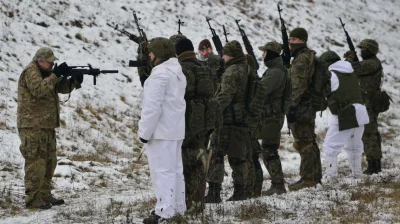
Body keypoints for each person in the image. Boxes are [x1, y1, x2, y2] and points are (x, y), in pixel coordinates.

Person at [17, 47, 83, 209]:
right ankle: (33, 198)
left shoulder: (46, 73)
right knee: (36, 161)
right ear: (40, 61)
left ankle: (44, 194)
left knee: (49, 160)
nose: (53, 65)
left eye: (54, 62)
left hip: (46, 125)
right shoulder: (31, 72)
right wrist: (55, 75)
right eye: (50, 62)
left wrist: (74, 80)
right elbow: (39, 90)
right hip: (32, 125)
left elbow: (60, 88)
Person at [138, 37, 187, 223]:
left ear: (158, 54)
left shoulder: (159, 74)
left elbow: (152, 107)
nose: (149, 55)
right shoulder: (177, 72)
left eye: (151, 51)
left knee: (162, 172)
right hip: (175, 130)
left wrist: (144, 133)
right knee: (174, 171)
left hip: (160, 132)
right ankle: (178, 207)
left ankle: (164, 213)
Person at [173, 37, 220, 213]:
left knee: (188, 164)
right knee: (200, 160)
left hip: (189, 122)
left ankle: (191, 204)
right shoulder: (204, 67)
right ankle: (198, 202)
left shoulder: (183, 69)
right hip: (206, 121)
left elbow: (181, 94)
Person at [205, 40, 248, 203]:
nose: (222, 57)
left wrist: (211, 112)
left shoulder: (231, 72)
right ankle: (240, 191)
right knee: (238, 157)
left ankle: (214, 192)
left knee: (215, 153)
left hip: (226, 120)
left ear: (231, 55)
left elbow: (225, 96)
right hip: (240, 120)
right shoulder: (245, 68)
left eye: (224, 54)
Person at [320, 51, 369, 181]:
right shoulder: (351, 72)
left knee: (330, 146)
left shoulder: (331, 74)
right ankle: (357, 174)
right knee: (354, 146)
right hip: (360, 110)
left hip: (346, 112)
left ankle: (330, 175)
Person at [286, 28, 322, 191]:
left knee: (304, 142)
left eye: (293, 39)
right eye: (290, 39)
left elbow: (298, 85)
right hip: (307, 104)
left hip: (301, 106)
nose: (290, 42)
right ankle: (315, 176)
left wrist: (291, 106)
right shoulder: (308, 56)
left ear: (302, 40)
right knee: (309, 140)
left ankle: (308, 179)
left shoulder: (301, 59)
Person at [344, 39, 384, 175]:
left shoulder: (371, 63)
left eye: (364, 49)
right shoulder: (371, 62)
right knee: (369, 132)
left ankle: (374, 165)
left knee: (369, 133)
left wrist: (350, 58)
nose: (361, 52)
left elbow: (350, 69)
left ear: (371, 50)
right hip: (366, 101)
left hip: (369, 103)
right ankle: (374, 163)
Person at [256, 41, 288, 195]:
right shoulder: (276, 70)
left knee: (269, 151)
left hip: (271, 117)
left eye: (265, 52)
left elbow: (261, 90)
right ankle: (278, 183)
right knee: (269, 150)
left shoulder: (275, 72)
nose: (262, 55)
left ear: (271, 53)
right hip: (272, 116)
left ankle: (278, 184)